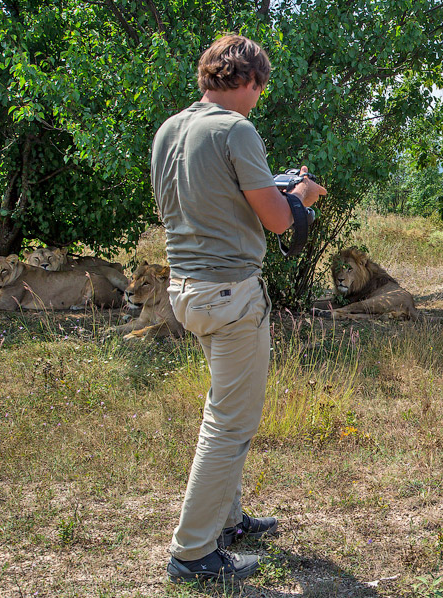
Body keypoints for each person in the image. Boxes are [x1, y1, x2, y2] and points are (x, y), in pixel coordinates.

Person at [151, 34, 327, 583]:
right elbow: (277, 221)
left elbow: (211, 201)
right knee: (229, 423)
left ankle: (226, 522)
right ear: (249, 80)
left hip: (187, 288)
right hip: (230, 293)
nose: (259, 97)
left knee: (222, 407)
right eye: (260, 87)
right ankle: (193, 551)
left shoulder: (170, 129)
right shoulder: (236, 129)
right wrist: (301, 198)